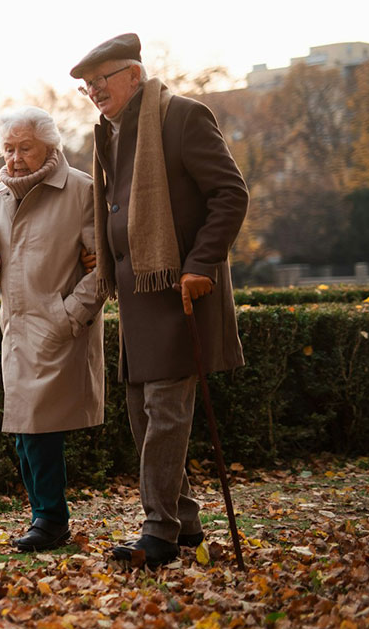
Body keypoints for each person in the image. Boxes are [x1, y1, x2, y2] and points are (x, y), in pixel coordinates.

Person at [70, 33, 249, 567]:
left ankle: (159, 533)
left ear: (134, 74)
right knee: (141, 415)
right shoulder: (108, 132)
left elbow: (230, 194)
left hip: (179, 292)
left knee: (164, 414)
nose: (94, 91)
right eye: (87, 85)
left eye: (101, 80)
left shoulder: (183, 117)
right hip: (136, 296)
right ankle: (185, 522)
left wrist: (201, 264)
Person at [0, 106, 105, 552]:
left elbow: (102, 268)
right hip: (15, 328)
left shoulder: (82, 190)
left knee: (39, 429)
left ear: (50, 146)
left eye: (25, 147)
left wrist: (70, 315)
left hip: (57, 326)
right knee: (24, 430)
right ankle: (44, 517)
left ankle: (50, 519)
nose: (15, 158)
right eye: (8, 148)